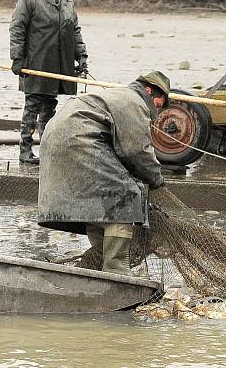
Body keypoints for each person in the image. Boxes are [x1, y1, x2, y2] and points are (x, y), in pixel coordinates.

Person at [37, 72, 169, 276]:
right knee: (125, 196)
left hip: (55, 139)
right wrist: (156, 178)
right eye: (158, 106)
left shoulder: (120, 96)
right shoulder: (135, 102)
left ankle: (101, 263)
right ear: (149, 90)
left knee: (98, 204)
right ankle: (116, 269)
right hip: (78, 141)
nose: (157, 112)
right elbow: (136, 151)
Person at [10, 0, 88, 165]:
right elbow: (17, 29)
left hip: (58, 66)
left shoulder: (67, 1)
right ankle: (25, 152)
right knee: (32, 109)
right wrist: (17, 58)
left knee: (50, 110)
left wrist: (81, 56)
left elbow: (75, 31)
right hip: (35, 65)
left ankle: (46, 151)